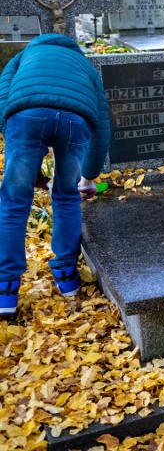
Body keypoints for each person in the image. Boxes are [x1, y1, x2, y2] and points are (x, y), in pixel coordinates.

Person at [0, 34, 110, 319]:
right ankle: (67, 279)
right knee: (66, 196)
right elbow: (102, 125)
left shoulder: (22, 57)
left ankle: (5, 293)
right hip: (76, 119)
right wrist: (88, 178)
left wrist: (20, 150)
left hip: (26, 116)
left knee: (14, 203)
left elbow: (4, 99)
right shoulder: (83, 64)